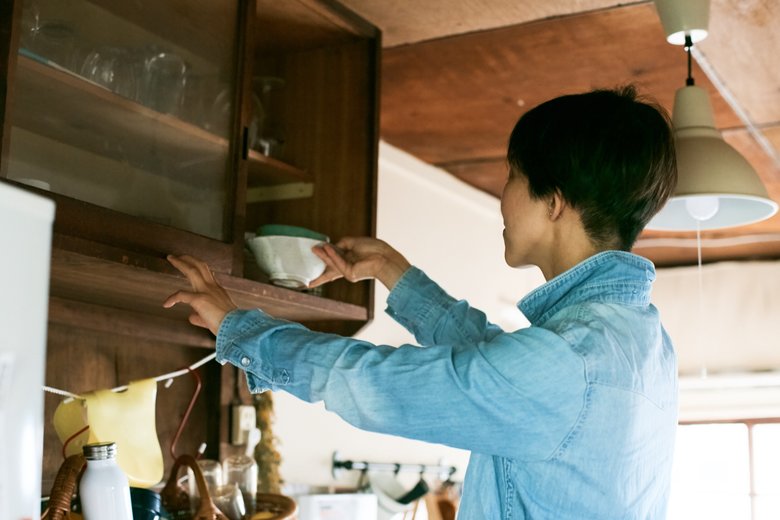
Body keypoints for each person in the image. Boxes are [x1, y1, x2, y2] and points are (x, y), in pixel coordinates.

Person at [164, 85, 679, 519]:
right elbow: (493, 369)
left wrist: (239, 328)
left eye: (512, 176)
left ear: (555, 201)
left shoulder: (570, 364)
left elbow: (375, 382)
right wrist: (394, 272)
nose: (504, 195)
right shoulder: (638, 342)